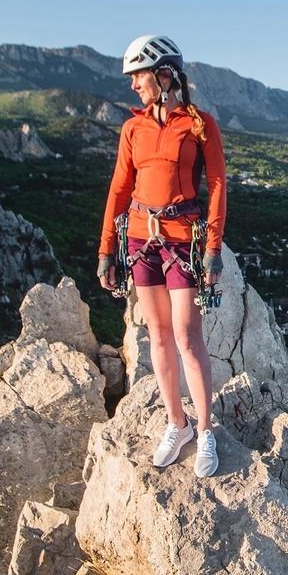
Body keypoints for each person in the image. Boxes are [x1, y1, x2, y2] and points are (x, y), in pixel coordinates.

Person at [97, 34, 227, 478]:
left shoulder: (199, 124)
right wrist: (105, 251)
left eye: (139, 76)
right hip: (139, 238)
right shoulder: (132, 128)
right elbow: (118, 188)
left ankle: (205, 429)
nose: (133, 85)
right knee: (157, 335)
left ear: (164, 75)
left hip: (181, 239)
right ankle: (178, 423)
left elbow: (218, 187)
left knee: (188, 337)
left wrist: (213, 249)